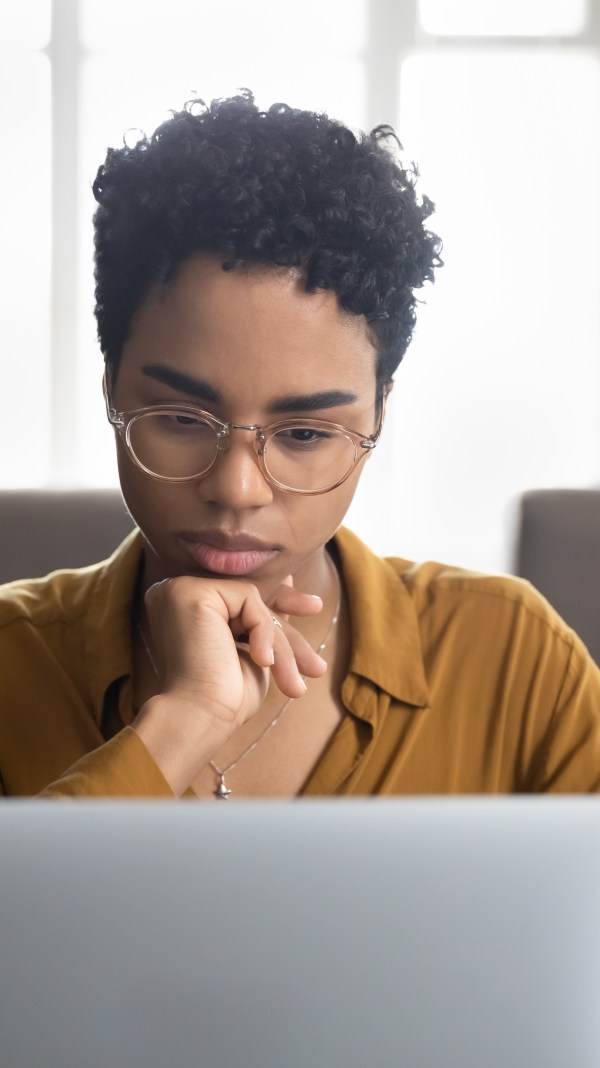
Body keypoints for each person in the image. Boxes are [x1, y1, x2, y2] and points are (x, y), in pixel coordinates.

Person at [1, 90, 599, 798]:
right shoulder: (13, 662)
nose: (237, 489)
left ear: (379, 414)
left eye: (307, 432)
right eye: (184, 419)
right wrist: (184, 722)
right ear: (112, 391)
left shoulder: (512, 657)